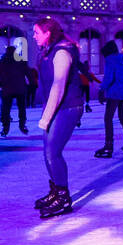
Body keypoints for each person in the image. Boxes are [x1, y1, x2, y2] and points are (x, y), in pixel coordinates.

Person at [31, 18, 85, 218]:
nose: (34, 36)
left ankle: (63, 198)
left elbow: (58, 86)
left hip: (68, 107)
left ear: (47, 33)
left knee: (53, 152)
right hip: (57, 107)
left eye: (37, 32)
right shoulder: (49, 50)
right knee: (47, 152)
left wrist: (46, 118)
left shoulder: (62, 52)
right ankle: (55, 190)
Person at [93, 40, 123, 160]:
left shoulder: (110, 60)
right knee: (122, 117)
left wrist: (102, 90)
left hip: (114, 92)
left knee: (108, 118)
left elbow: (109, 77)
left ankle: (108, 146)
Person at [0, 46, 29, 136]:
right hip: (20, 88)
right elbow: (28, 73)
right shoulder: (21, 62)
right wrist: (29, 84)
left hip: (7, 89)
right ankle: (22, 125)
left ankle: (5, 128)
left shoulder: (1, 62)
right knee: (21, 107)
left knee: (6, 108)